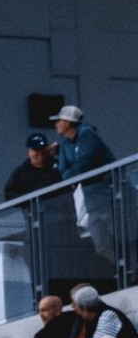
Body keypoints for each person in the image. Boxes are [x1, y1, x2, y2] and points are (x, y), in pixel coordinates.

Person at [53, 106, 117, 259]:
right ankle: (124, 269)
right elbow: (63, 169)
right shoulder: (65, 144)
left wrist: (72, 174)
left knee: (119, 235)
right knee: (101, 243)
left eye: (59, 121)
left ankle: (132, 270)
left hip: (108, 191)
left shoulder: (87, 134)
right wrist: (71, 174)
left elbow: (85, 163)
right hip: (91, 196)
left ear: (68, 122)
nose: (55, 125)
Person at [4, 132, 63, 201]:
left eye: (42, 149)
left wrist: (60, 150)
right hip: (35, 210)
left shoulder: (58, 164)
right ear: (29, 151)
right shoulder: (21, 172)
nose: (40, 153)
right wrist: (28, 199)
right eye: (36, 150)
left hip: (62, 206)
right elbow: (9, 194)